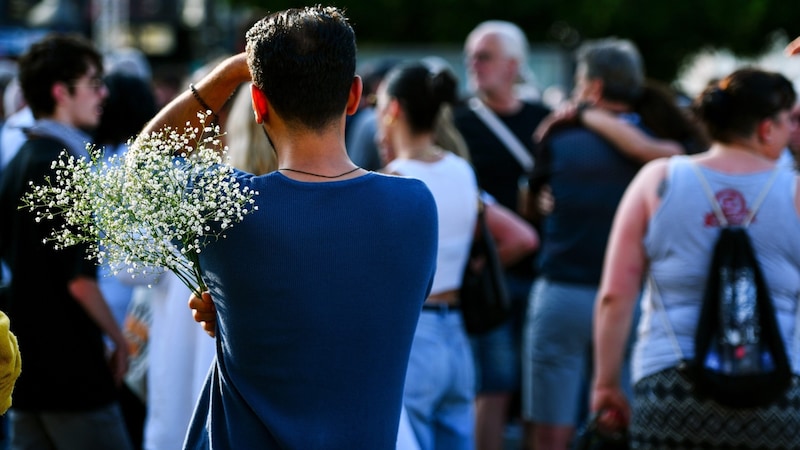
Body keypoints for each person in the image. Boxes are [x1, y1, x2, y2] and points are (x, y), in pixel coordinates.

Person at [140, 6, 439, 449]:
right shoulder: (415, 206)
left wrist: (229, 74)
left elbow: (145, 163)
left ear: (258, 104)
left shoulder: (228, 206)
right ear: (354, 96)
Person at [592, 67, 800, 448]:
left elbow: (615, 295)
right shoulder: (795, 192)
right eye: (790, 120)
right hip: (777, 390)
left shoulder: (657, 181)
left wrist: (605, 384)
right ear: (767, 129)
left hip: (670, 386)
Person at [0, 33, 133, 449]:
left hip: (27, 373)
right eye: (94, 83)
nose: (103, 93)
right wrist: (121, 341)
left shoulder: (22, 157)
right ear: (62, 91)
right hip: (73, 374)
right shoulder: (61, 165)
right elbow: (79, 281)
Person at [521, 38, 653, 450]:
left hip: (564, 290)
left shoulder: (559, 138)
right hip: (635, 301)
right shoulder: (660, 143)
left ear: (593, 87)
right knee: (629, 424)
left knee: (550, 430)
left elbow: (529, 205)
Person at [452, 21, 551, 450]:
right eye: (471, 54)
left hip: (542, 269)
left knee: (540, 390)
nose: (474, 63)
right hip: (485, 271)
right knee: (491, 385)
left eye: (485, 55)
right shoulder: (458, 122)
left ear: (514, 65)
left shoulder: (543, 121)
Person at [376, 61, 479, 450]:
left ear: (394, 109)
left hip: (415, 333)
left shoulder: (392, 181)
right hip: (457, 332)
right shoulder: (462, 171)